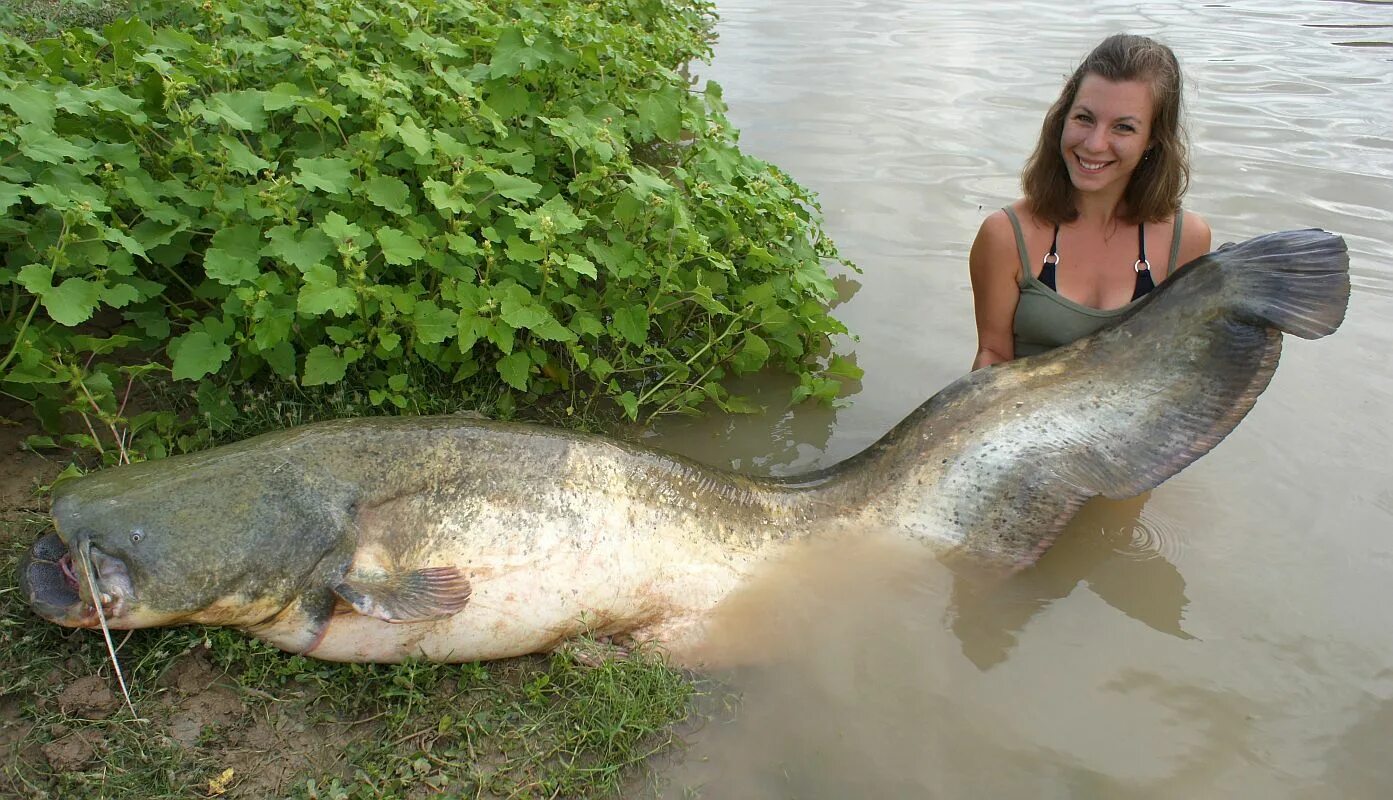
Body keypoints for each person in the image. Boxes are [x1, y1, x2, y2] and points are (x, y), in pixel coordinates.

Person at [969, 33, 1212, 370]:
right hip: (1025, 418)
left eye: (1123, 127)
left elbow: (1179, 366)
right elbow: (993, 355)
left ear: (1153, 139)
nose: (1095, 144)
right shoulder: (1005, 235)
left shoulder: (1187, 240)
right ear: (1063, 117)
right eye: (1084, 118)